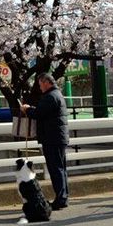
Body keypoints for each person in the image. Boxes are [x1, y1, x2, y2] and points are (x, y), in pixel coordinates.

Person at [20, 73, 69, 210]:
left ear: (47, 82)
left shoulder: (50, 96)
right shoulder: (57, 94)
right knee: (61, 168)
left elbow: (39, 114)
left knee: (56, 169)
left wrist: (28, 109)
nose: (40, 87)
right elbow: (43, 112)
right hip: (57, 137)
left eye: (41, 84)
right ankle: (63, 197)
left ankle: (61, 199)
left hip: (52, 138)